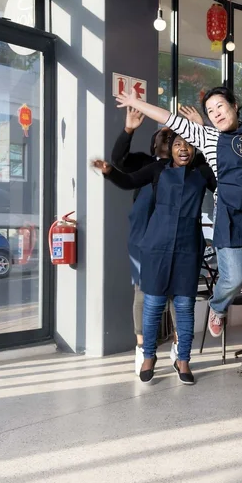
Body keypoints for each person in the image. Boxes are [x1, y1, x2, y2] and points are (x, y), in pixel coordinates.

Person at [116, 47, 242, 377]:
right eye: (210, 110)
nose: (216, 114)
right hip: (228, 217)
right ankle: (217, 307)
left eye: (220, 107)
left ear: (234, 106)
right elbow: (167, 118)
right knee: (236, 278)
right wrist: (136, 102)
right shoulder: (207, 137)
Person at [108, 134, 216, 385]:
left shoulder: (201, 173)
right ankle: (148, 357)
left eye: (188, 144)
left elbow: (221, 176)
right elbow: (128, 179)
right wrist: (108, 172)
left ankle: (184, 361)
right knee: (153, 304)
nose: (182, 148)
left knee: (184, 307)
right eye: (177, 144)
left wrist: (202, 132)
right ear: (169, 149)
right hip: (156, 245)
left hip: (188, 248)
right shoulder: (157, 169)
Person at [91, 109, 176, 373]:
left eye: (172, 134)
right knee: (142, 292)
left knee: (175, 293)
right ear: (154, 144)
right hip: (143, 238)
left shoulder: (185, 167)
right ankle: (142, 346)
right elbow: (119, 161)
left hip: (173, 237)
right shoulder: (143, 163)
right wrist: (128, 129)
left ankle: (177, 344)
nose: (167, 137)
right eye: (162, 134)